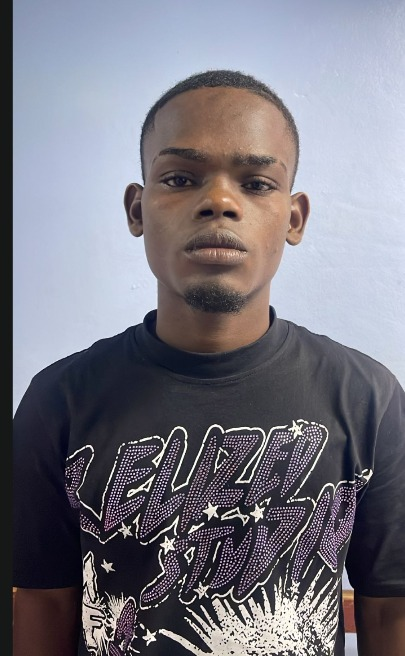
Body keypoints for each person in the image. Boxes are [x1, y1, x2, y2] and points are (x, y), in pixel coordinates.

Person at [13, 69, 405, 656]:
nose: (219, 202)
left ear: (293, 218)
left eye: (256, 183)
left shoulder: (367, 398)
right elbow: (43, 601)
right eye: (180, 178)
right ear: (137, 209)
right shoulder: (58, 400)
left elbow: (391, 605)